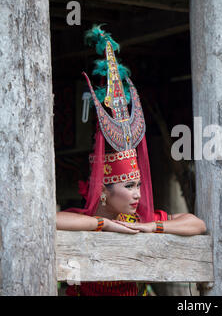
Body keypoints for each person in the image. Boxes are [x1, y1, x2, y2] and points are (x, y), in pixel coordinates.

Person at [56, 26, 206, 296]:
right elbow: (48, 221)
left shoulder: (137, 219)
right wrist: (103, 224)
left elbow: (197, 224)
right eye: (128, 185)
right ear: (103, 190)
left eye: (137, 184)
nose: (137, 193)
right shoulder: (83, 219)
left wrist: (151, 226)